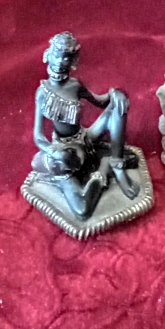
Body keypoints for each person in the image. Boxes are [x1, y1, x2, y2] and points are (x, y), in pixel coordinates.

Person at [32, 32, 139, 219]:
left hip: (86, 137)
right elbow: (38, 136)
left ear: (73, 61)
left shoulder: (75, 85)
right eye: (57, 55)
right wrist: (52, 151)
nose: (60, 62)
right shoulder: (42, 92)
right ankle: (104, 167)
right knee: (82, 210)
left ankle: (117, 164)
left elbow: (101, 101)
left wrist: (116, 94)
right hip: (67, 150)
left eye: (66, 57)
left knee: (119, 106)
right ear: (48, 55)